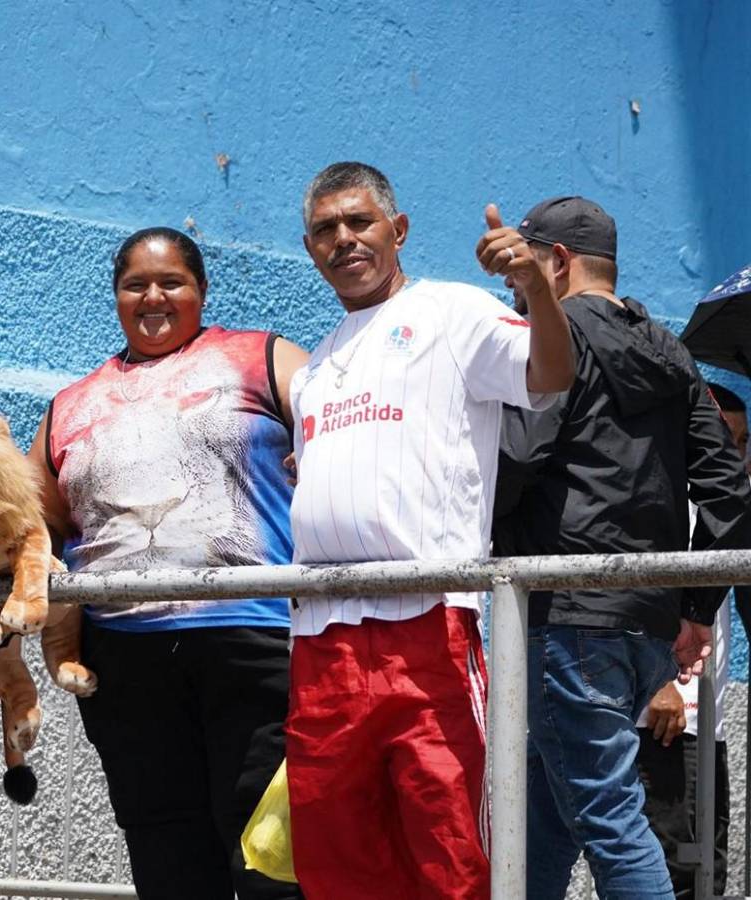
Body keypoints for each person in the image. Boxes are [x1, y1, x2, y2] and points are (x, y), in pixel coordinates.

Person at [284, 162, 574, 899]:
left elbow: (550, 375)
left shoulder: (454, 311)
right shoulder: (315, 366)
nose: (343, 240)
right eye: (325, 230)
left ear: (399, 230)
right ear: (310, 247)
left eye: (359, 223)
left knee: (451, 858)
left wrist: (536, 286)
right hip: (322, 638)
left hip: (430, 624)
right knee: (335, 859)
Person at [28, 226, 308, 900]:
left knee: (272, 865)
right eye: (135, 285)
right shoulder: (71, 401)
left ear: (201, 291)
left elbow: (346, 436)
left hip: (255, 639)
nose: (153, 296)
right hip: (124, 660)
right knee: (169, 863)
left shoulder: (262, 356)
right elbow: (32, 518)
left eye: (171, 282)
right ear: (116, 296)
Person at [492, 196, 751, 899]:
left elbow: (518, 459)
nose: (516, 294)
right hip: (646, 623)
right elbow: (729, 486)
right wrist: (695, 607)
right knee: (542, 818)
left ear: (558, 263)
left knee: (608, 820)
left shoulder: (552, 336)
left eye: (522, 278)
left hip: (567, 613)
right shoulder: (671, 351)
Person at [634, 382, 746, 899]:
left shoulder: (729, 515)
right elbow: (629, 597)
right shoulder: (659, 501)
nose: (736, 456)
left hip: (711, 723)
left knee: (709, 874)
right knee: (672, 872)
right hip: (663, 720)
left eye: (744, 444)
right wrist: (659, 681)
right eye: (725, 440)